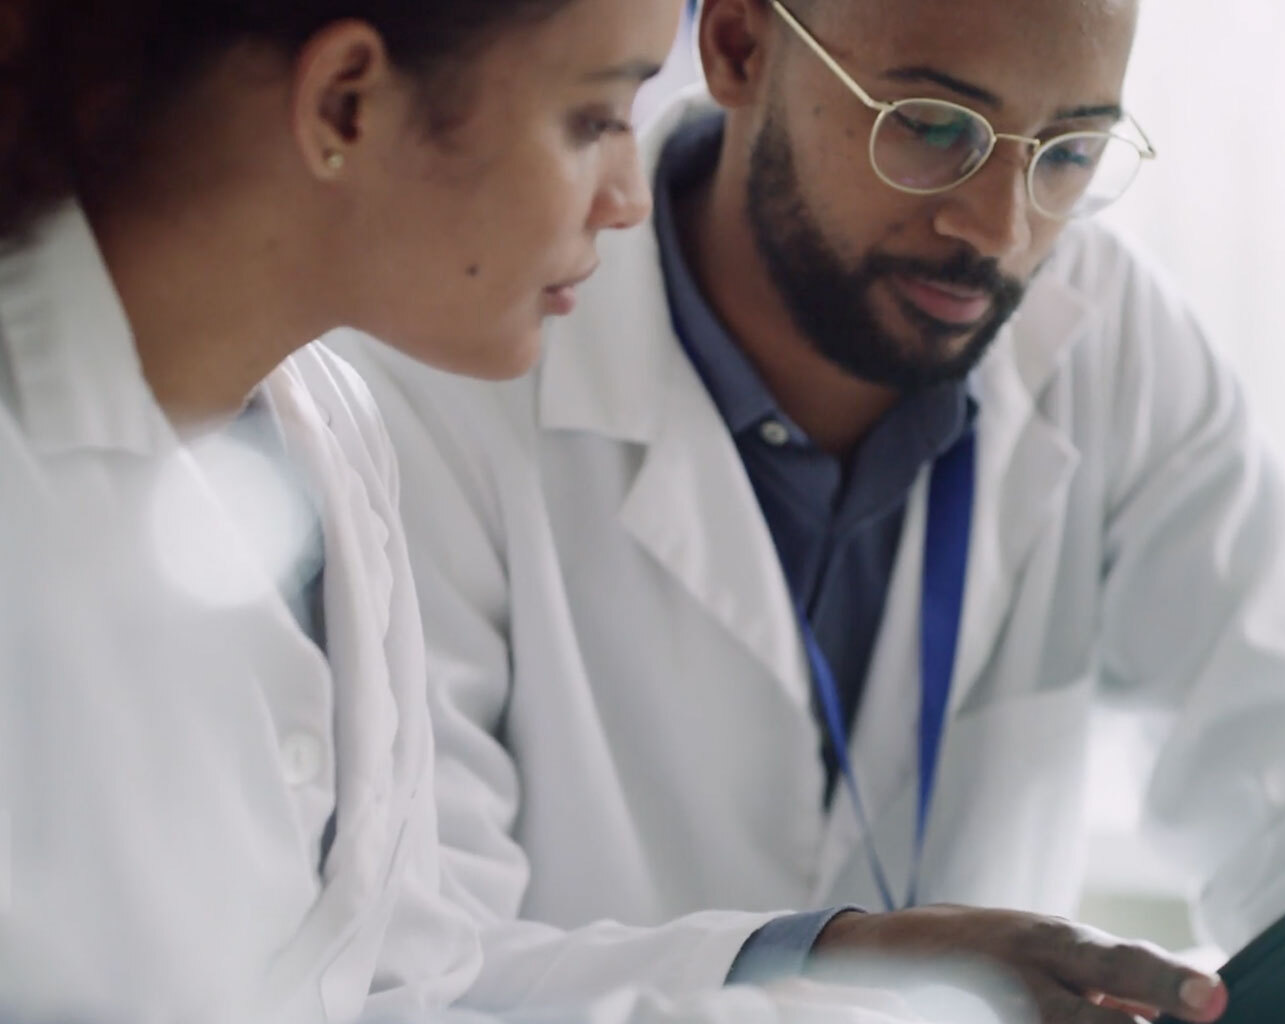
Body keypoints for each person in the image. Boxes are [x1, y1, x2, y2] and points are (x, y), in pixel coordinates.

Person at [337, 0, 1285, 1019]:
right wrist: (835, 968)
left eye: (1069, 152)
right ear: (743, 44)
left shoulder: (1105, 333)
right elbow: (410, 967)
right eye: (929, 128)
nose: (1000, 229)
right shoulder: (444, 373)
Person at [0, 3, 926, 1024]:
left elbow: (398, 987)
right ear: (346, 105)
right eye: (593, 118)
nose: (627, 200)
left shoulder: (330, 435)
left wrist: (844, 962)